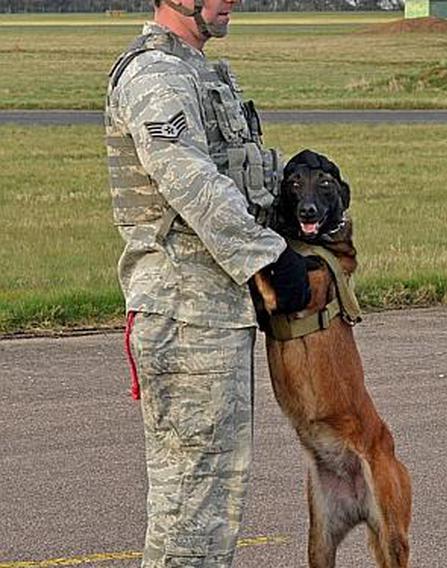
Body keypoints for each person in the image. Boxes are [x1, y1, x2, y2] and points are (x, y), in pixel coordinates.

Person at [105, 0, 325, 565]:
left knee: (214, 508)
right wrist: (269, 260)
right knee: (189, 512)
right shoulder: (155, 75)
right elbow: (189, 180)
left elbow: (237, 178)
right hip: (185, 317)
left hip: (218, 313)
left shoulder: (204, 73)